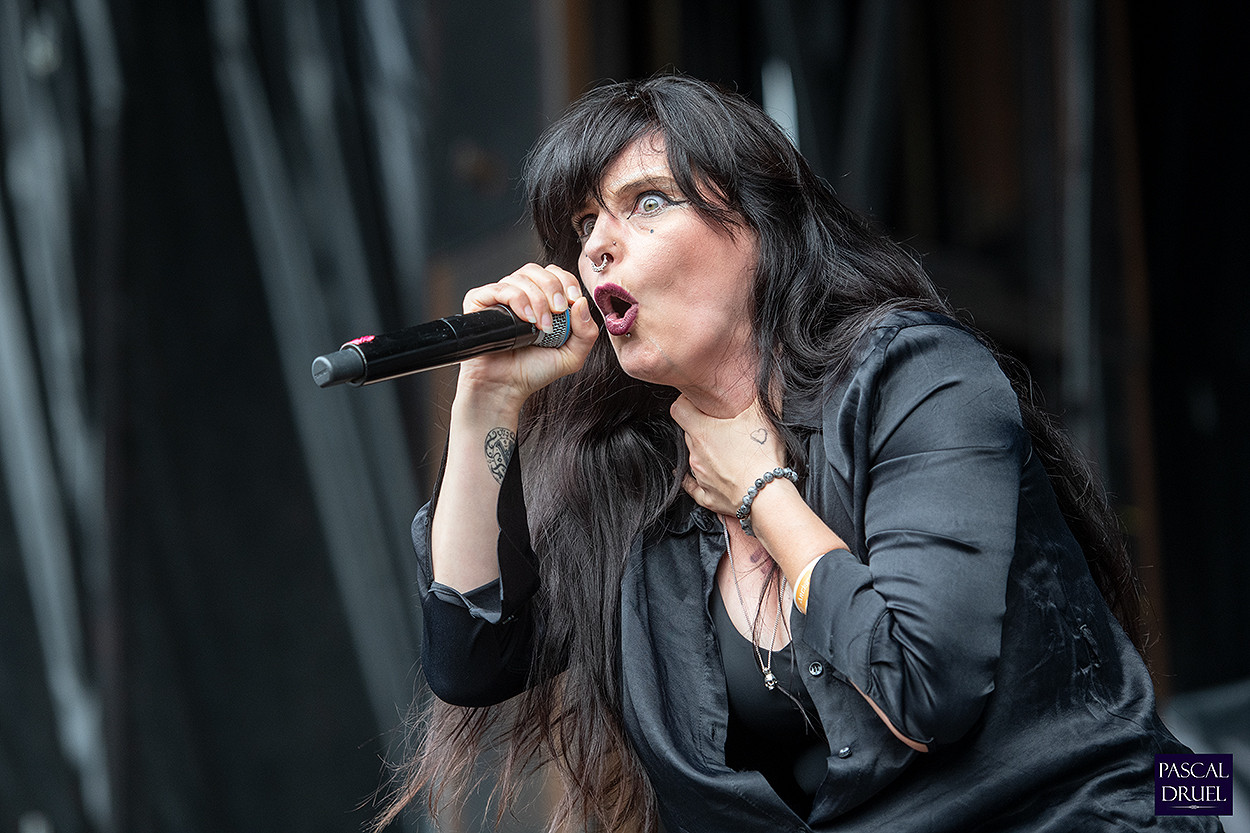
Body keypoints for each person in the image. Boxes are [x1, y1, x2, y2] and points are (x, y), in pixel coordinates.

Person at [377, 74, 1219, 832]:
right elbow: (469, 657)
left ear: (759, 225)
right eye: (584, 223)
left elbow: (923, 690)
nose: (597, 244)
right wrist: (486, 399)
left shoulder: (914, 376)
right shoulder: (639, 481)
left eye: (647, 201)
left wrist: (761, 491)